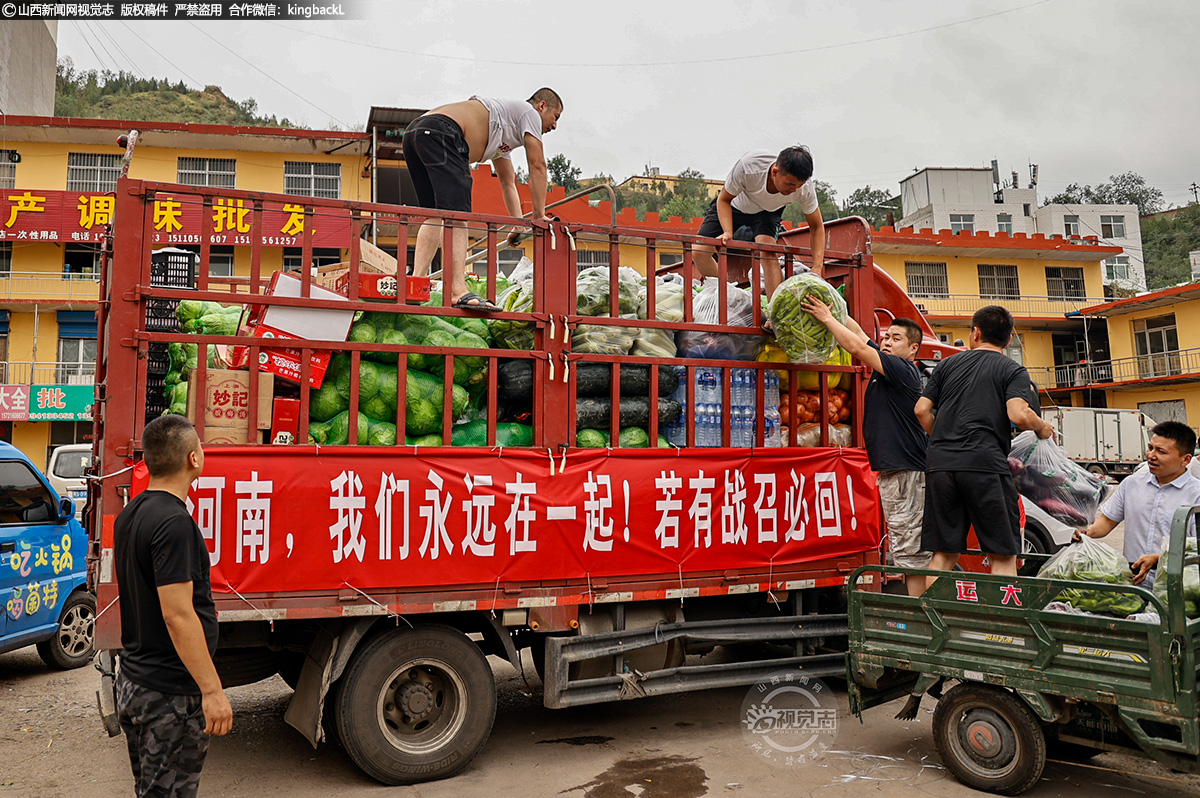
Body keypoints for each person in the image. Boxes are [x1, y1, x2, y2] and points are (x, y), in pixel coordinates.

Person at [115, 414, 231, 797]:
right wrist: (212, 691)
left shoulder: (132, 512)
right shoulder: (174, 523)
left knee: (150, 790)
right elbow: (178, 615)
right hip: (169, 694)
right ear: (193, 459)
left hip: (135, 680)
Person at [914, 305, 1054, 580]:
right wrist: (1042, 427)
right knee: (1002, 554)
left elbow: (921, 409)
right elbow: (1018, 415)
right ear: (1009, 338)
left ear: (975, 333)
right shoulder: (1012, 369)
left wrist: (943, 437)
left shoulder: (947, 365)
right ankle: (997, 622)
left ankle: (934, 619)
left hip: (941, 465)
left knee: (943, 554)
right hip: (985, 465)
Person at [802, 301, 930, 595]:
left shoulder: (902, 370)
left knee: (911, 555)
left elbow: (858, 349)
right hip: (897, 472)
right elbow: (859, 334)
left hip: (907, 473)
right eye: (886, 336)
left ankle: (923, 619)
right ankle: (922, 615)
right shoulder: (888, 366)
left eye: (896, 338)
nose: (887, 341)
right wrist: (830, 303)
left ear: (913, 349)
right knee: (907, 551)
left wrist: (825, 318)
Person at [401, 89, 563, 312]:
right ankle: (457, 290)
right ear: (542, 106)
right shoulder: (529, 113)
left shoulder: (503, 128)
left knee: (435, 214)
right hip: (443, 131)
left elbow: (508, 182)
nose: (554, 126)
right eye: (556, 117)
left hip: (415, 133)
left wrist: (518, 224)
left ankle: (416, 284)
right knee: (458, 214)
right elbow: (537, 165)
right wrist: (539, 215)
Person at [693, 146, 826, 301]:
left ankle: (775, 312)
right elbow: (724, 199)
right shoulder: (749, 167)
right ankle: (729, 296)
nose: (795, 190)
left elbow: (816, 226)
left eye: (799, 185)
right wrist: (728, 231)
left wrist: (817, 266)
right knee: (698, 251)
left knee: (768, 253)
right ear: (775, 172)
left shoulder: (805, 189)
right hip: (735, 206)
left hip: (767, 212)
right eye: (790, 184)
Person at [1079, 421, 1200, 588]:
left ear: (1185, 459)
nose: (1151, 455)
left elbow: (1195, 550)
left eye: (1161, 451)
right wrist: (1088, 532)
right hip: (1132, 585)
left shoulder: (1196, 494)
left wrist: (1159, 558)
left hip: (1175, 590)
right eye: (1150, 448)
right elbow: (1107, 521)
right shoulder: (1131, 484)